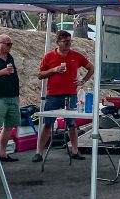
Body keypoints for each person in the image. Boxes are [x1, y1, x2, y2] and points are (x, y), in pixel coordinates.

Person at [35, 30, 94, 161]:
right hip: (53, 95)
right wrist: (54, 70)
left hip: (71, 94)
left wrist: (83, 80)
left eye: (70, 41)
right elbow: (40, 75)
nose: (68, 44)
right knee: (48, 124)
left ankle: (75, 151)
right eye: (65, 42)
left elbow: (91, 67)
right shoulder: (49, 56)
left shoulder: (76, 56)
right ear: (58, 42)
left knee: (72, 124)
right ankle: (39, 152)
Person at [0, 33, 20, 162]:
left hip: (13, 96)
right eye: (8, 44)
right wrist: (2, 72)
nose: (11, 46)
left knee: (9, 126)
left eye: (11, 44)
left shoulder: (9, 56)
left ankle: (2, 153)